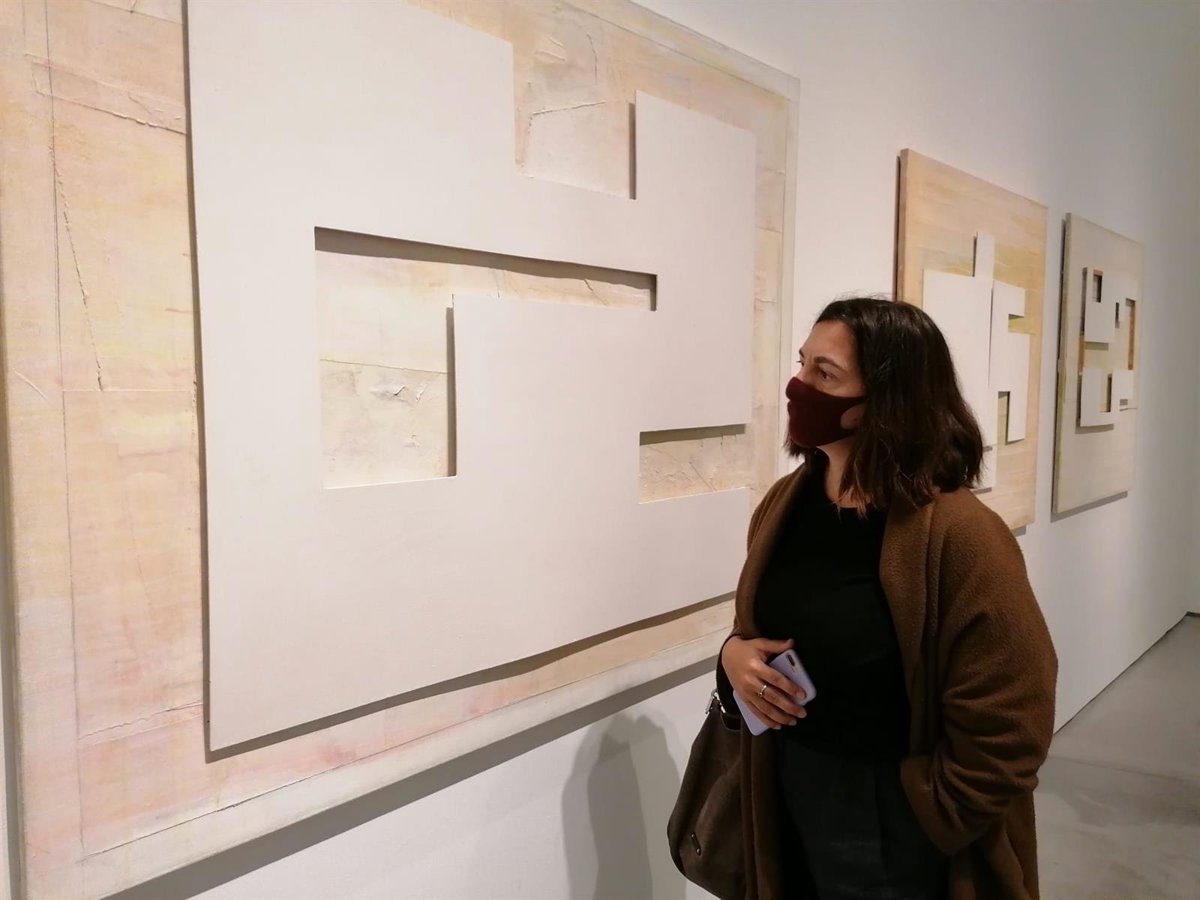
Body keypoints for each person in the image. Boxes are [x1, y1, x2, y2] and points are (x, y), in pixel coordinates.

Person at [716, 297, 1058, 899]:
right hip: (785, 786)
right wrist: (732, 656)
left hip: (893, 813)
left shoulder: (962, 535)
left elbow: (1013, 718)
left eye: (825, 374)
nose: (798, 387)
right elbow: (761, 625)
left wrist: (927, 814)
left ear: (888, 402)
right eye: (802, 364)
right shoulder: (788, 501)